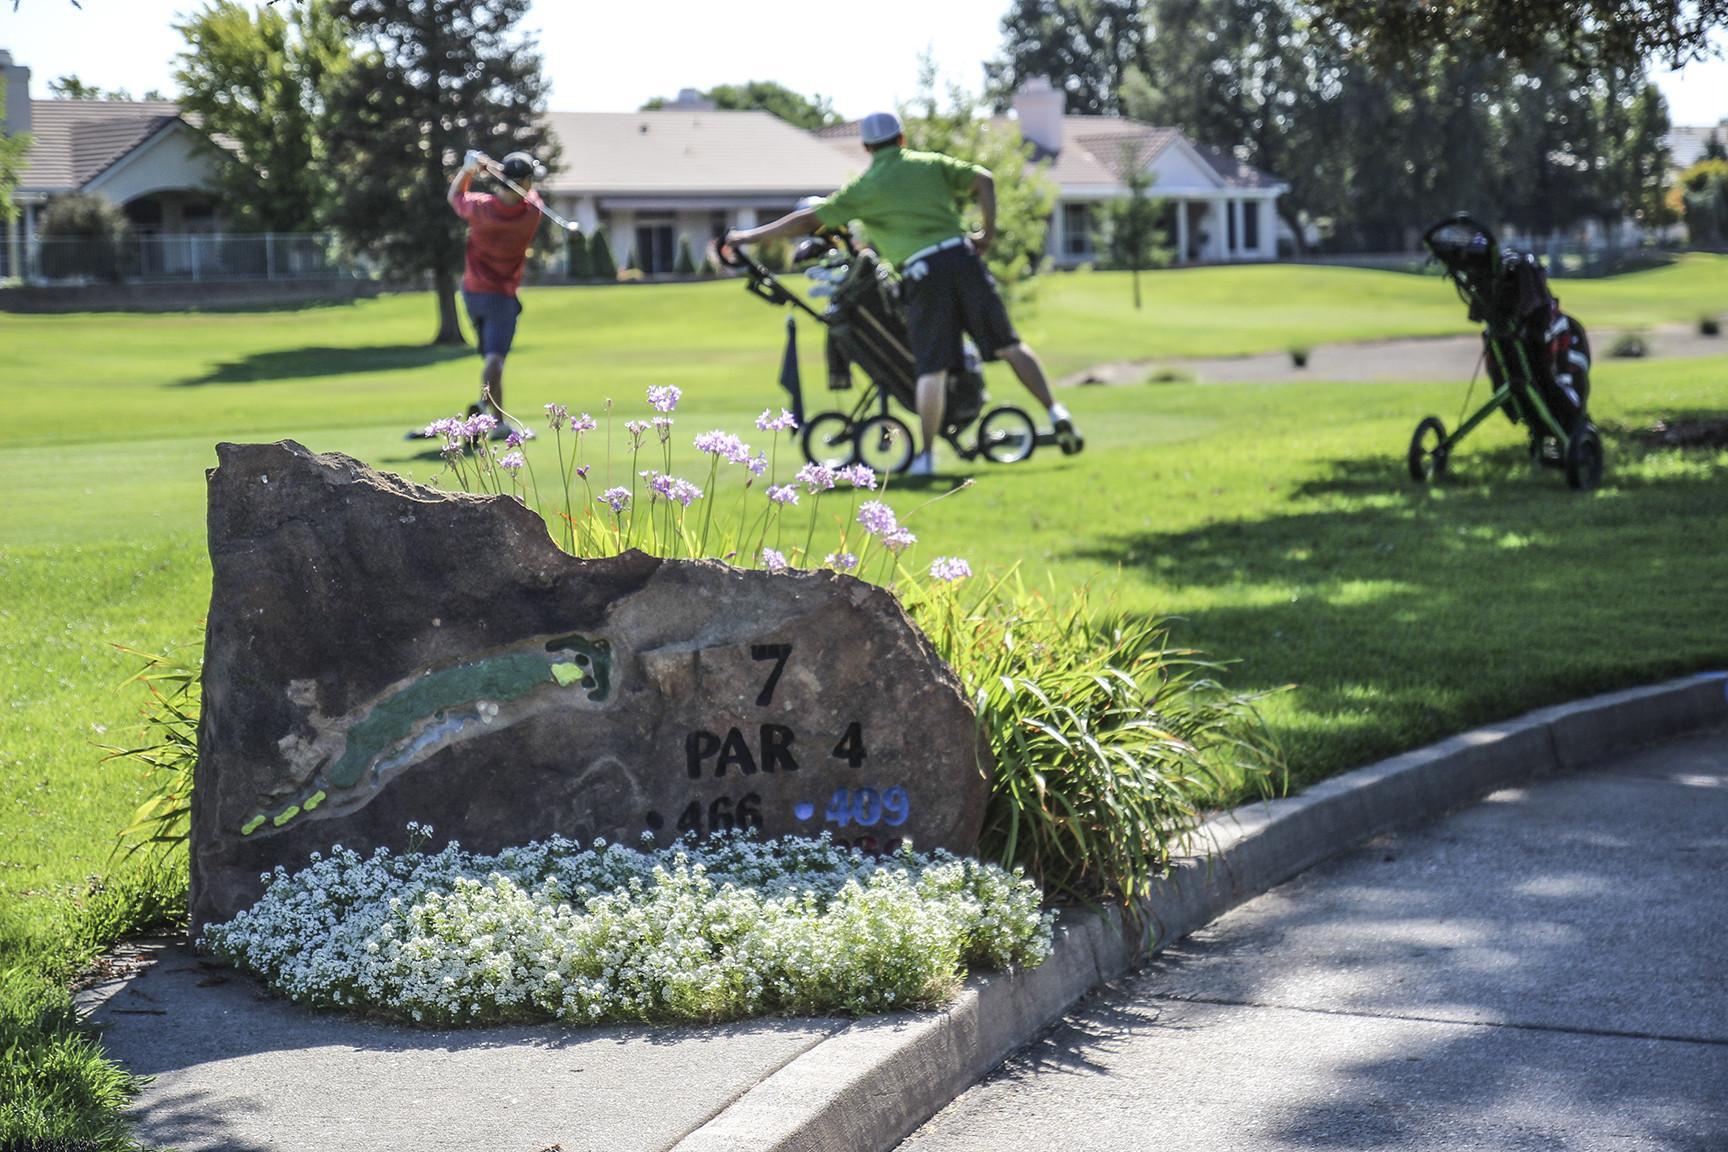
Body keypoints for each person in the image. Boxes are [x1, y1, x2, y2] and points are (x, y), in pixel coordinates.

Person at [724, 111, 1080, 475]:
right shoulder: (929, 165)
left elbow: (808, 220)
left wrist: (748, 237)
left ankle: (925, 457)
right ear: (902, 139)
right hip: (963, 259)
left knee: (932, 369)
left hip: (922, 273)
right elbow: (984, 181)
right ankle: (1056, 411)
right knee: (1009, 344)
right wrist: (985, 236)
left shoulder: (865, 188)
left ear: (866, 148)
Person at [447, 149, 546, 427]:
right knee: (495, 360)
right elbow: (531, 196)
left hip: (471, 293)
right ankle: (484, 408)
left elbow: (455, 197)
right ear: (525, 182)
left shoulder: (482, 209)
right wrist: (499, 171)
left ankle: (499, 421)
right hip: (501, 297)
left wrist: (469, 170)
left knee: (492, 359)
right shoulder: (531, 213)